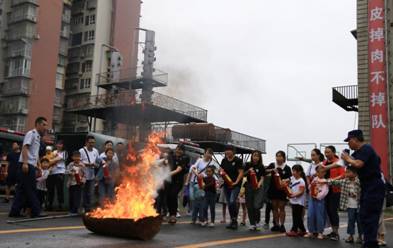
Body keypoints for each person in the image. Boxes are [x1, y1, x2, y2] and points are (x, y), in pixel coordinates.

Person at [341, 129, 385, 248]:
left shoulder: (366, 149)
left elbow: (358, 164)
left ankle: (370, 244)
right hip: (366, 186)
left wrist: (348, 159)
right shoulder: (357, 153)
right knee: (364, 215)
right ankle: (370, 242)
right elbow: (346, 164)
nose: (348, 143)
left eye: (349, 140)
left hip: (374, 185)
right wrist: (325, 167)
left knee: (370, 216)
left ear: (355, 139)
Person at [9, 116, 49, 218]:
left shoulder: (38, 138)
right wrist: (26, 163)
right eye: (44, 125)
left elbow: (35, 154)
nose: (46, 127)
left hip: (31, 165)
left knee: (22, 189)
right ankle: (36, 211)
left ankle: (14, 212)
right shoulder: (31, 133)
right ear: (38, 124)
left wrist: (39, 167)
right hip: (26, 165)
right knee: (31, 189)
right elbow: (25, 147)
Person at [322, 166, 362, 243]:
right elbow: (335, 182)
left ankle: (360, 237)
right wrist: (325, 181)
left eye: (348, 172)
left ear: (355, 173)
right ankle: (350, 236)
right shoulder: (345, 181)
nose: (346, 174)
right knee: (350, 221)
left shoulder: (360, 182)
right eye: (346, 172)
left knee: (360, 222)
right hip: (350, 206)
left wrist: (356, 195)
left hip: (359, 206)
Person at [186, 148, 216, 225]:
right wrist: (197, 175)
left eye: (210, 153)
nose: (208, 154)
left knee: (201, 202)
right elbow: (193, 168)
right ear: (205, 153)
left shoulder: (212, 162)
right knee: (195, 201)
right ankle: (197, 219)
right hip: (196, 182)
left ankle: (200, 219)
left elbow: (214, 172)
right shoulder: (199, 160)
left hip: (203, 184)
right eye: (207, 152)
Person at [322, 145, 345, 241]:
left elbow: (343, 175)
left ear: (334, 152)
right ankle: (332, 231)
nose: (326, 154)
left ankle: (336, 233)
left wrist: (331, 180)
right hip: (325, 190)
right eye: (325, 152)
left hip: (335, 190)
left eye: (328, 152)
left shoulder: (338, 162)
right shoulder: (324, 162)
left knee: (333, 210)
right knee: (328, 210)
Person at [266, 151, 292, 233]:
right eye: (277, 156)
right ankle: (276, 224)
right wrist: (272, 170)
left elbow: (290, 178)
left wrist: (285, 181)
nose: (278, 158)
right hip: (273, 189)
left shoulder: (287, 168)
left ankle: (282, 225)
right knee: (274, 207)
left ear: (284, 158)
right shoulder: (272, 165)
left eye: (280, 156)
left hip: (282, 190)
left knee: (281, 207)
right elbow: (264, 171)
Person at [220, 145, 244, 230]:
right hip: (226, 185)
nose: (227, 152)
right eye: (226, 150)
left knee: (232, 200)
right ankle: (233, 220)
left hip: (235, 185)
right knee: (229, 203)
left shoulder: (238, 160)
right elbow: (222, 171)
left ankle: (234, 220)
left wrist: (237, 182)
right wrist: (220, 173)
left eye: (229, 150)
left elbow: (241, 173)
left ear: (233, 151)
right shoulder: (224, 160)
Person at [167, 144, 190, 224]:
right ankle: (170, 214)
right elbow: (165, 161)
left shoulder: (185, 158)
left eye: (180, 150)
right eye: (177, 149)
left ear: (183, 151)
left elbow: (178, 169)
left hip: (178, 182)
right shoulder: (172, 156)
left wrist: (167, 174)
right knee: (168, 197)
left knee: (173, 195)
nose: (178, 151)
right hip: (169, 181)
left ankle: (173, 215)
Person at [305, 165, 329, 239]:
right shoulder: (315, 179)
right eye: (317, 172)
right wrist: (311, 187)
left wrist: (318, 196)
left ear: (324, 172)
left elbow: (325, 191)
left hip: (320, 200)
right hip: (312, 199)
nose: (319, 173)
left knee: (320, 216)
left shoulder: (325, 181)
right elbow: (310, 188)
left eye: (321, 172)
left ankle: (320, 232)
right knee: (310, 215)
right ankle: (311, 231)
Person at [244, 150, 265, 231]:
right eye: (254, 155)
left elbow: (262, 177)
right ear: (252, 156)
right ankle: (252, 224)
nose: (255, 157)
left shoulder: (261, 166)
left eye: (257, 156)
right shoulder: (248, 165)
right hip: (249, 186)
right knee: (249, 206)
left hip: (258, 187)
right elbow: (243, 175)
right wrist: (248, 171)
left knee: (256, 206)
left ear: (259, 157)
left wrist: (258, 184)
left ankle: (257, 222)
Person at [79, 135, 99, 212]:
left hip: (92, 174)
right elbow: (79, 161)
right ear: (86, 142)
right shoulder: (81, 150)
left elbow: (97, 160)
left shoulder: (95, 151)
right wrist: (89, 164)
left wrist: (96, 164)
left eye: (93, 143)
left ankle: (88, 208)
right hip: (83, 174)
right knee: (83, 192)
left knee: (90, 192)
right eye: (90, 142)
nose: (92, 144)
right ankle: (83, 207)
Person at [286, 164, 307, 237]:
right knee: (297, 216)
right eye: (293, 170)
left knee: (296, 216)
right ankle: (303, 230)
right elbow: (286, 181)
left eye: (294, 171)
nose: (293, 172)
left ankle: (294, 230)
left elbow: (301, 192)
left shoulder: (301, 181)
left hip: (299, 201)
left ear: (299, 172)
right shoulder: (292, 178)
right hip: (293, 200)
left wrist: (292, 195)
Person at [46, 140, 67, 211]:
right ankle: (50, 205)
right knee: (50, 189)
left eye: (61, 144)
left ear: (63, 145)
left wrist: (50, 161)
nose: (59, 145)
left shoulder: (65, 152)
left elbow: (57, 159)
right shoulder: (53, 152)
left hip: (60, 172)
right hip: (51, 172)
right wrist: (50, 160)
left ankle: (60, 205)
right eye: (58, 144)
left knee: (59, 189)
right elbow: (48, 158)